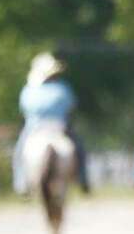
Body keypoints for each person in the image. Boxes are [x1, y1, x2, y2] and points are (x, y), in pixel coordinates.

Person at [13, 52, 90, 194]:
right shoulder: (62, 88)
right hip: (59, 126)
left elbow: (24, 109)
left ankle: (21, 184)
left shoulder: (29, 90)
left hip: (34, 128)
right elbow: (71, 107)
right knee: (79, 149)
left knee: (19, 152)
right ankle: (83, 180)